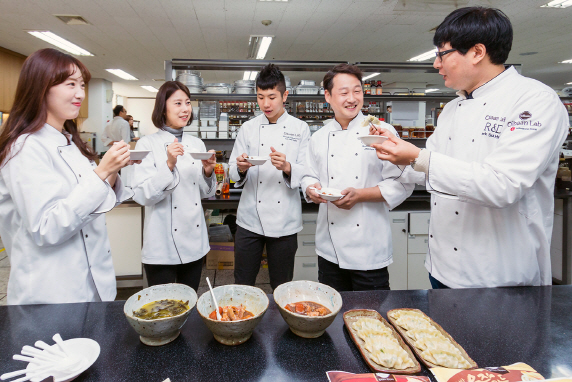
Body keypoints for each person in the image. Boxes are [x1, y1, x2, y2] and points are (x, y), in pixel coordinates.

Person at [371, 7, 569, 289]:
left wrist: (417, 156)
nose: (436, 64)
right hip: (442, 269)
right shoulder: (452, 108)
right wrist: (395, 154)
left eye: (442, 54)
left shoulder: (534, 101)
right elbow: (430, 170)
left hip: (499, 276)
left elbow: (503, 185)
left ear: (477, 52)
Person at [0, 48, 136, 305]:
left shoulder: (70, 142)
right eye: (70, 84)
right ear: (40, 87)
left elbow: (95, 201)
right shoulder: (25, 147)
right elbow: (47, 227)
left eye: (82, 85)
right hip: (51, 292)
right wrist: (102, 171)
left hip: (93, 285)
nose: (80, 94)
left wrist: (114, 170)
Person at [300, 64, 414, 292]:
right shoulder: (319, 137)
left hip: (368, 249)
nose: (352, 99)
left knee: (371, 319)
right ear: (328, 96)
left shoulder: (381, 131)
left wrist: (360, 195)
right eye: (344, 93)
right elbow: (307, 173)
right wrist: (310, 189)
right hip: (329, 249)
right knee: (332, 315)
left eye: (357, 91)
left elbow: (402, 183)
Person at [229, 64, 310, 290]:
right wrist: (241, 167)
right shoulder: (247, 128)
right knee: (242, 283)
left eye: (272, 97)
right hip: (249, 219)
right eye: (260, 97)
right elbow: (231, 171)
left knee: (282, 286)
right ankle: (241, 324)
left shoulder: (300, 128)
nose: (266, 104)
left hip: (284, 220)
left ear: (285, 95)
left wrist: (287, 166)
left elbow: (307, 171)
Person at [132, 81, 216, 291]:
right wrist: (169, 165)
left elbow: (204, 192)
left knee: (190, 302)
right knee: (163, 310)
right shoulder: (147, 144)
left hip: (193, 239)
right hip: (162, 245)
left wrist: (207, 171)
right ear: (163, 107)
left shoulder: (197, 144)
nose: (185, 108)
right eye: (177, 103)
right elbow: (143, 196)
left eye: (187, 103)